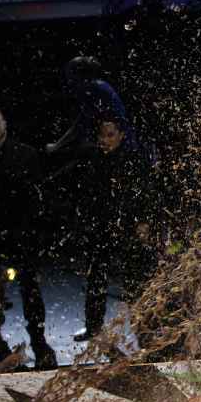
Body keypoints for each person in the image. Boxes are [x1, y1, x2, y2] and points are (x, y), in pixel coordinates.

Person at [0, 104, 57, 369]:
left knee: (31, 291)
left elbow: (35, 198)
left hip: (22, 234)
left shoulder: (25, 154)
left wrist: (31, 234)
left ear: (5, 123)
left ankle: (39, 342)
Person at [74, 118, 153, 341]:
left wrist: (142, 222)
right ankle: (93, 327)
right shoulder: (93, 159)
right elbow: (87, 195)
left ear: (121, 135)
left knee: (133, 282)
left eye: (110, 135)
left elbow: (144, 193)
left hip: (126, 228)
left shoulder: (132, 160)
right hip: (100, 228)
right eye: (102, 135)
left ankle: (143, 331)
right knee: (96, 280)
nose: (105, 140)